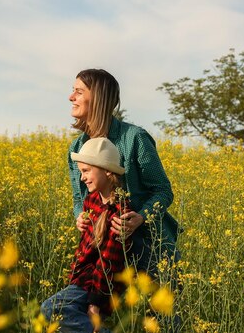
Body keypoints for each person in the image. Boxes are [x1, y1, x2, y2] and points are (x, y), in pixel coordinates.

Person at [68, 69, 181, 328]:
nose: (70, 96)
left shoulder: (134, 138)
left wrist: (140, 217)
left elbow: (163, 190)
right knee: (97, 318)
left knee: (162, 323)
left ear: (97, 98)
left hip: (150, 248)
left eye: (79, 91)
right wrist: (80, 217)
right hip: (106, 254)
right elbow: (79, 197)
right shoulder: (76, 148)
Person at [41, 137, 131, 333]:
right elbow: (85, 248)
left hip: (98, 286)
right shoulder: (91, 200)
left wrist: (95, 302)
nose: (82, 178)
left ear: (107, 170)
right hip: (81, 280)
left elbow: (107, 261)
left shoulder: (119, 211)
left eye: (86, 171)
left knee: (50, 309)